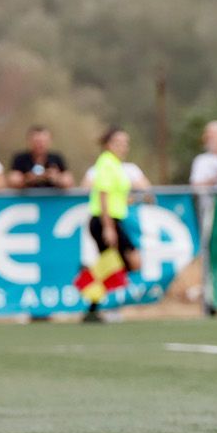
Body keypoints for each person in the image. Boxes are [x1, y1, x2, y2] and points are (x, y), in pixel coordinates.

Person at [83, 127, 144, 323]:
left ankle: (93, 302)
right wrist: (108, 227)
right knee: (119, 262)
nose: (124, 147)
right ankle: (99, 305)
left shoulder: (117, 165)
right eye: (119, 142)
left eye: (126, 143)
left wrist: (128, 202)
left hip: (114, 218)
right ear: (108, 145)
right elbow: (103, 195)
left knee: (114, 264)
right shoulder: (106, 163)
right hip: (104, 220)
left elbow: (116, 195)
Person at [8, 126, 74, 189]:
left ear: (49, 141)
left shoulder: (56, 158)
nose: (40, 145)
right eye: (37, 141)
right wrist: (27, 179)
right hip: (26, 199)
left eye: (43, 141)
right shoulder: (20, 159)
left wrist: (57, 179)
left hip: (52, 198)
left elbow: (69, 182)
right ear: (29, 141)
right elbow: (12, 181)